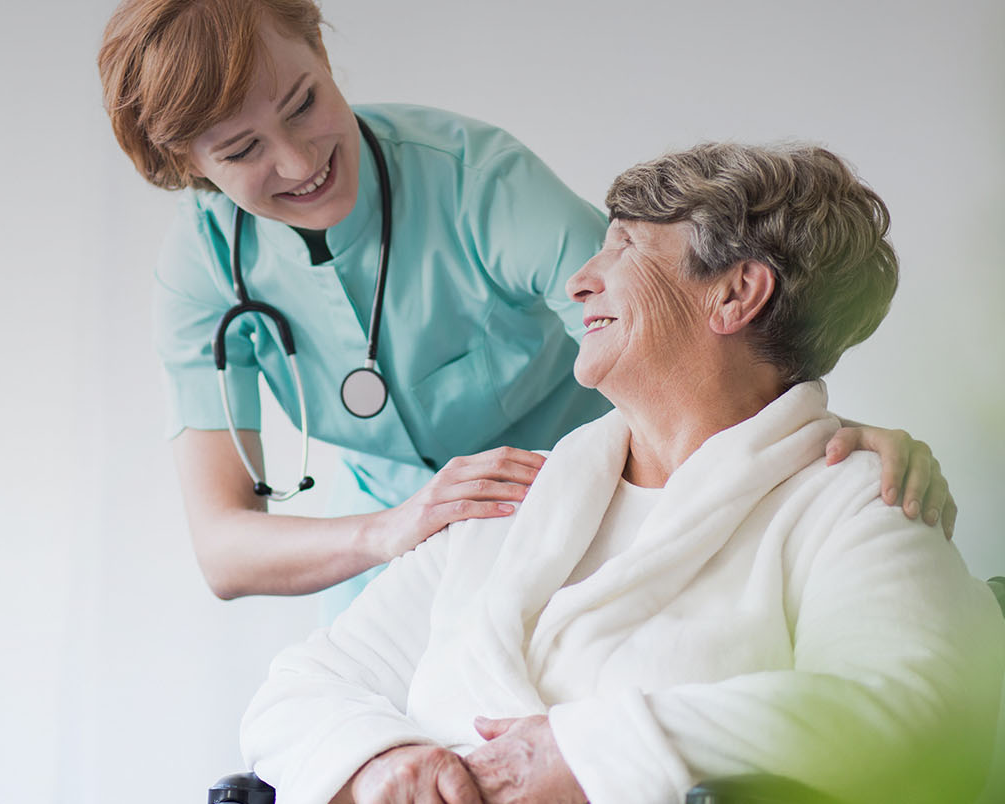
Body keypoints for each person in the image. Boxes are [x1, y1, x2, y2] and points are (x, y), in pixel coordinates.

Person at [96, 0, 956, 612]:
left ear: (321, 50)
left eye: (305, 104)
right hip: (394, 570)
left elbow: (683, 325)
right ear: (189, 167)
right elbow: (223, 550)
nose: (298, 161)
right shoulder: (203, 268)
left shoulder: (477, 180)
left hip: (601, 520)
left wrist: (827, 438)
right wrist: (394, 530)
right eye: (241, 151)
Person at [239, 142, 1005, 804]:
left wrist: (590, 751)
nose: (578, 282)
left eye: (625, 247)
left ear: (736, 292)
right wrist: (381, 763)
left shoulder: (852, 504)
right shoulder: (513, 506)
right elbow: (299, 689)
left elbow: (919, 714)